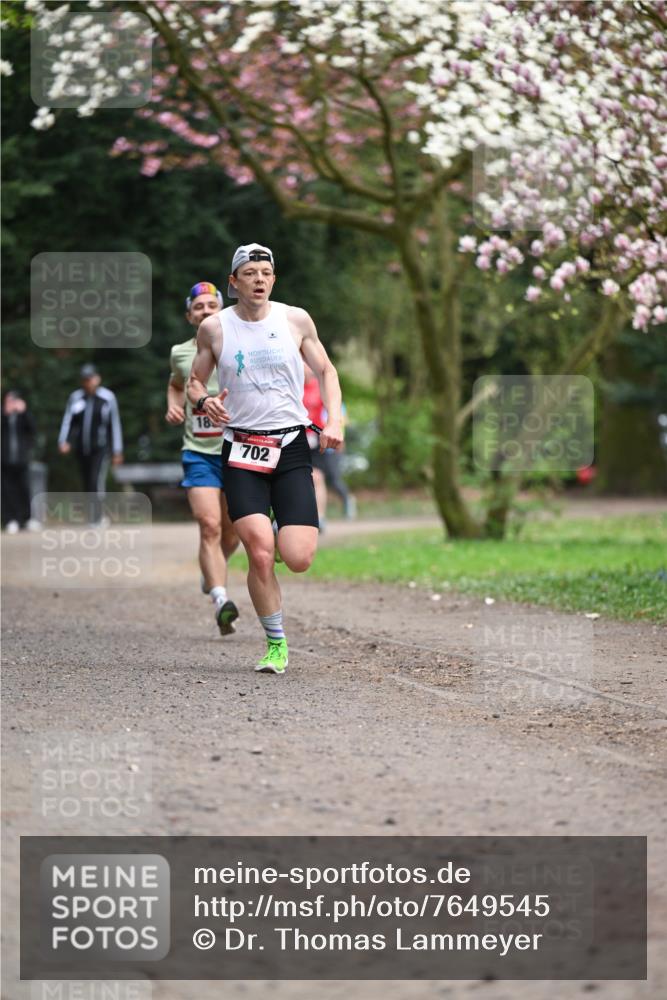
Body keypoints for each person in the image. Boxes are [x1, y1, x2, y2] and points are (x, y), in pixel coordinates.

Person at [187, 243, 343, 675]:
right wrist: (204, 402)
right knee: (258, 552)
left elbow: (327, 371)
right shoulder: (215, 328)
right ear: (233, 282)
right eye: (249, 273)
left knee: (299, 558)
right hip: (241, 449)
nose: (259, 279)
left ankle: (278, 533)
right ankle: (276, 643)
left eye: (265, 273)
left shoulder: (295, 319)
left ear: (274, 279)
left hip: (290, 446)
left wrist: (334, 421)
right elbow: (195, 382)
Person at [166, 281, 239, 636]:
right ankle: (221, 599)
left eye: (212, 305)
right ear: (189, 316)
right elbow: (176, 384)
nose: (206, 311)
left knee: (232, 533)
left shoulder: (238, 345)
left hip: (238, 451)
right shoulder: (180, 352)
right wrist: (173, 406)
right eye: (199, 307)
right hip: (198, 453)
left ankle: (212, 571)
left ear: (221, 310)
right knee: (209, 525)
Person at [57, 364, 123, 524]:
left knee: (95, 480)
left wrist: (117, 450)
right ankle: (91, 516)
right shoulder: (76, 398)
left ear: (97, 378)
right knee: (86, 482)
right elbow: (68, 421)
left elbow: (114, 425)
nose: (88, 382)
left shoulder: (107, 398)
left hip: (100, 448)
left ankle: (98, 517)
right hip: (81, 448)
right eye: (85, 379)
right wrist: (64, 441)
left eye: (90, 378)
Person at [303, 364, 356, 531]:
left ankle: (321, 517)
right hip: (299, 439)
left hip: (319, 439)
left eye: (307, 365)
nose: (305, 368)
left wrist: (337, 432)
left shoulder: (320, 387)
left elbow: (337, 411)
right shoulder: (292, 387)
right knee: (311, 478)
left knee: (327, 478)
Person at [1, 389, 36, 533]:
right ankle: (10, 520)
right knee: (7, 491)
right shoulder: (2, 415)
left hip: (21, 460)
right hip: (4, 460)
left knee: (24, 488)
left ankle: (26, 519)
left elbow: (32, 430)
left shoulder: (23, 415)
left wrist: (24, 412)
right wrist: (5, 414)